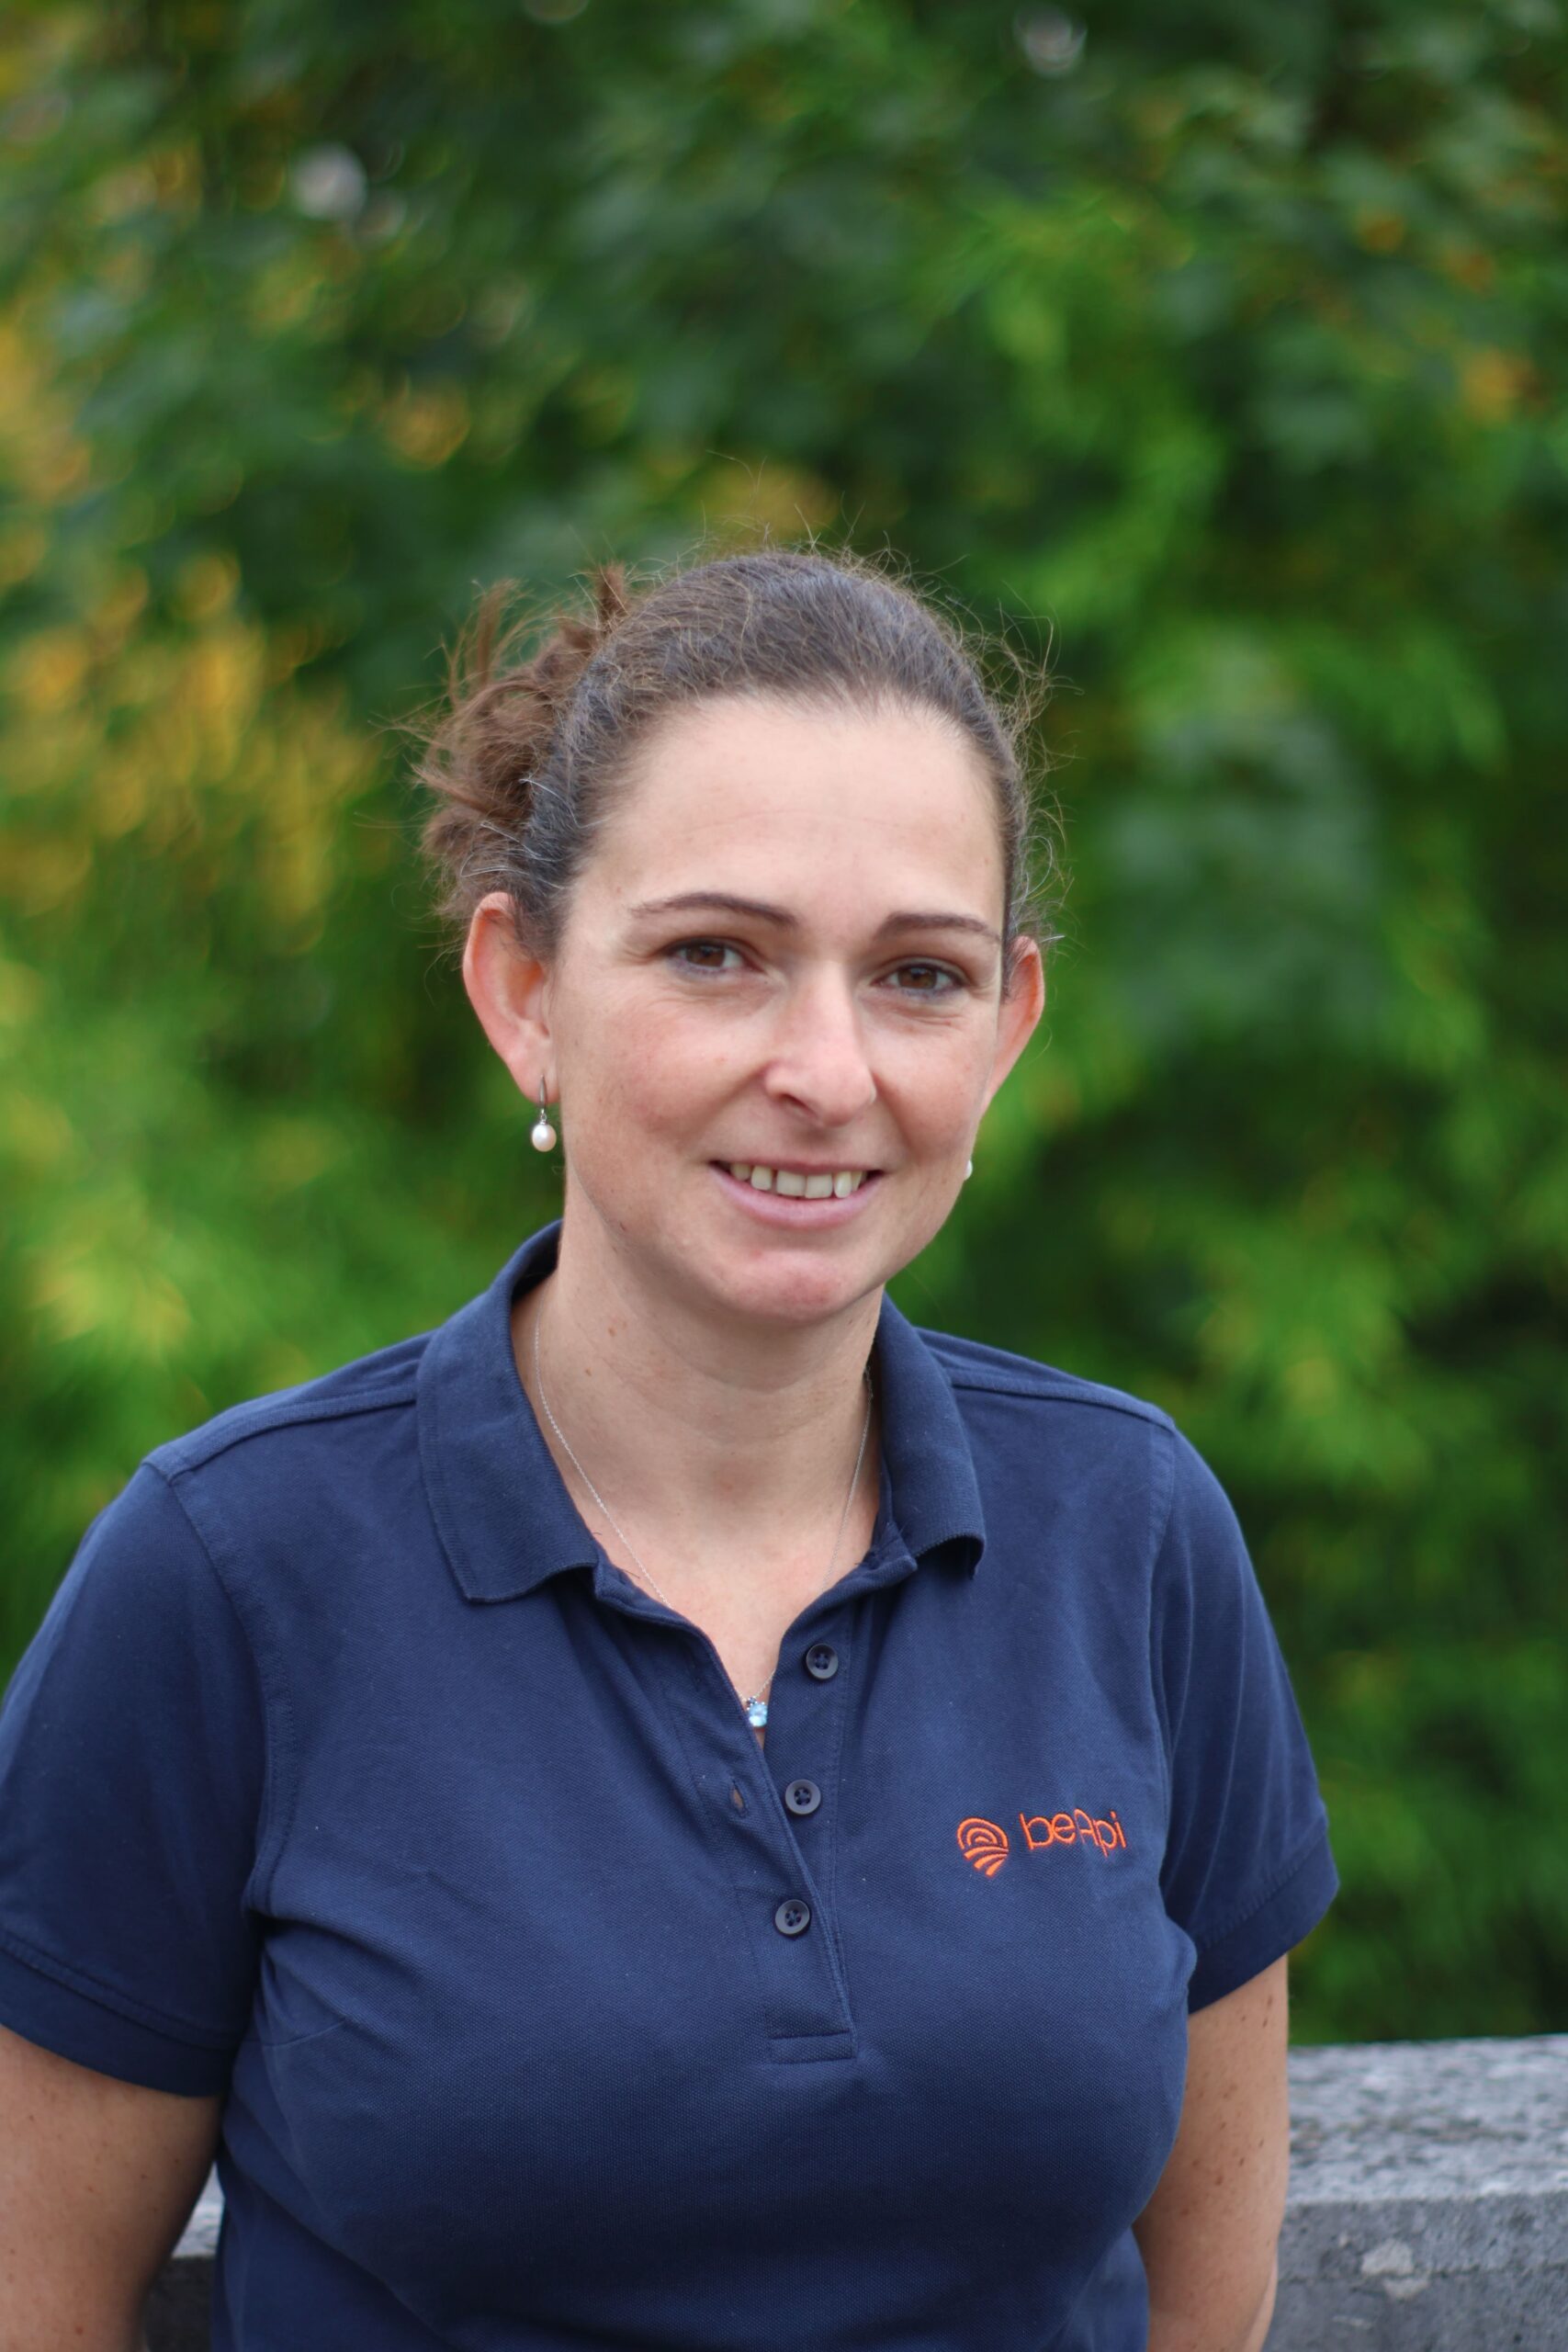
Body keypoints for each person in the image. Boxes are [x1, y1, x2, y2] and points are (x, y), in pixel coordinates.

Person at [0, 548, 1338, 2352]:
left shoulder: (1131, 1526)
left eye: (917, 974)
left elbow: (1206, 2295)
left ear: (1007, 1027)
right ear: (523, 989)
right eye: (718, 954)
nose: (826, 1069)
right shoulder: (229, 1575)